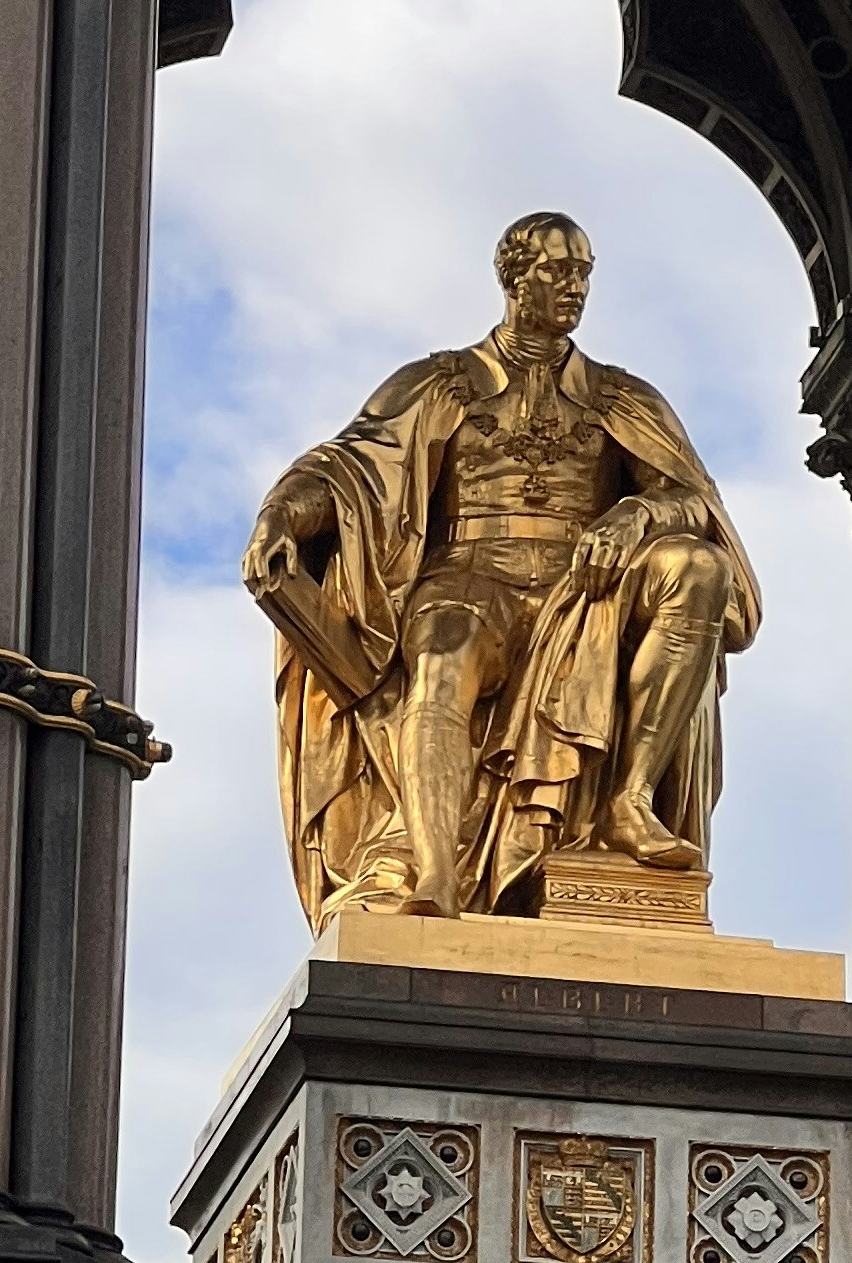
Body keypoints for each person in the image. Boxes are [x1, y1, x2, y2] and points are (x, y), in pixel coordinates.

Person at [246, 215, 761, 923]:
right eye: (555, 271)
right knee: (442, 657)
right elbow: (349, 471)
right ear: (514, 278)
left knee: (700, 571)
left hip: (585, 589)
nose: (572, 288)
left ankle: (629, 802)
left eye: (582, 272)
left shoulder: (620, 397)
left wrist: (637, 515)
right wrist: (281, 515)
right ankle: (433, 872)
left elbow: (693, 499)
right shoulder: (441, 382)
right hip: (469, 574)